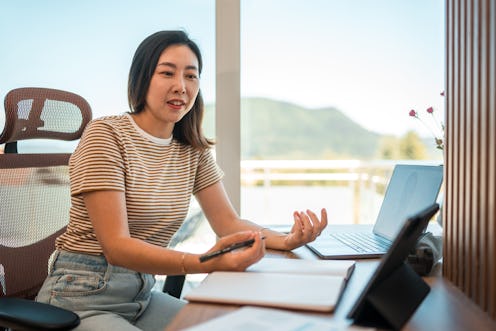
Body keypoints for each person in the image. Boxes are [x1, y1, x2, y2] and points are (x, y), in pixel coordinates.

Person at [36, 30, 328, 331]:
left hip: (141, 295)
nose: (181, 86)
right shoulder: (106, 135)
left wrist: (286, 240)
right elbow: (117, 247)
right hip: (79, 297)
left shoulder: (192, 151)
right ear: (142, 78)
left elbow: (228, 223)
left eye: (191, 76)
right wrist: (204, 261)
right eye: (167, 73)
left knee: (232, 326)